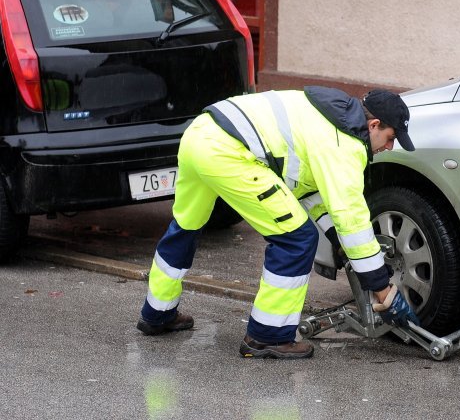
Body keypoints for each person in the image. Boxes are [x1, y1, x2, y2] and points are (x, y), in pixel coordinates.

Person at [135, 86, 419, 359]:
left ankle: (157, 314)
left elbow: (311, 192)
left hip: (201, 134)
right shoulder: (344, 144)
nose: (390, 146)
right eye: (391, 137)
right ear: (374, 125)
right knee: (296, 238)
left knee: (185, 227)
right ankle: (267, 336)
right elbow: (352, 219)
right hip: (230, 153)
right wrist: (383, 289)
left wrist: (337, 239)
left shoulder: (330, 114)